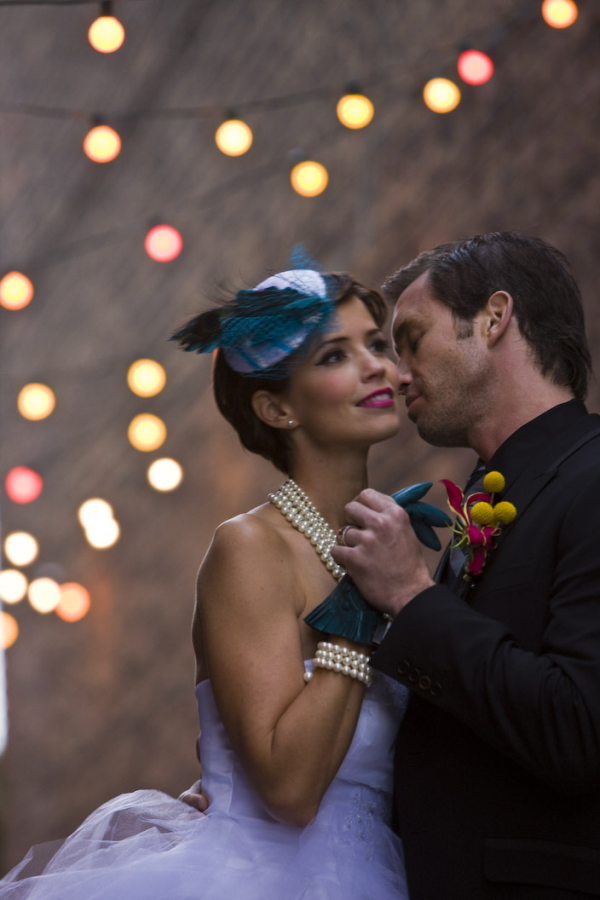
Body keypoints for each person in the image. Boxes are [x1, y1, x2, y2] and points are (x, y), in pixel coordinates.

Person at [0, 267, 423, 900]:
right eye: (335, 354)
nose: (376, 366)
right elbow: (288, 789)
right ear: (276, 406)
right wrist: (359, 608)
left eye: (378, 343)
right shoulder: (250, 549)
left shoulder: (389, 545)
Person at [329, 232, 600, 899]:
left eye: (411, 340)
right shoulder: (485, 502)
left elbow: (578, 730)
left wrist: (411, 595)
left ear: (494, 317)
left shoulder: (593, 478)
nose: (395, 374)